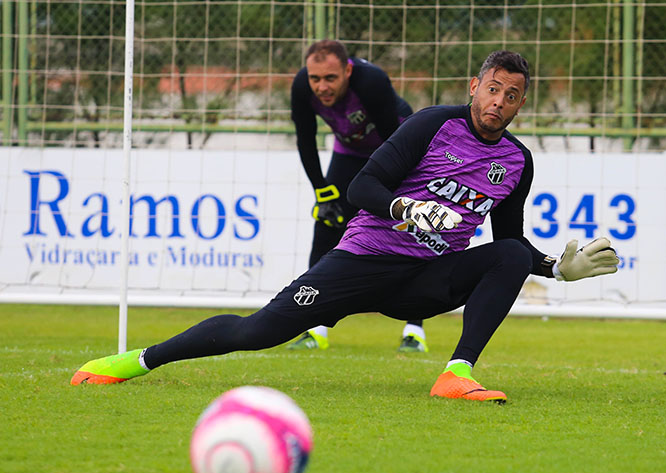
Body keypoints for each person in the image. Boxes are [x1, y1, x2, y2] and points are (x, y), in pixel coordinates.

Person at [71, 50, 620, 403]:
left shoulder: (517, 162)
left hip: (423, 282)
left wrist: (555, 267)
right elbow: (363, 188)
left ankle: (456, 373)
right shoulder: (433, 124)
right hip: (363, 261)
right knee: (257, 332)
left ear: (523, 102)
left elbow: (507, 239)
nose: (499, 102)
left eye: (512, 94)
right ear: (473, 86)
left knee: (511, 258)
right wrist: (406, 210)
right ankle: (136, 361)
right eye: (492, 88)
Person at [289, 39, 427, 353]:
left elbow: (395, 140)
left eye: (330, 78)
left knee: (411, 236)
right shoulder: (301, 87)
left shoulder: (372, 81)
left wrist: (396, 196)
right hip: (349, 152)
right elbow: (306, 141)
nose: (321, 87)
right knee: (325, 229)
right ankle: (315, 327)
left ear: (348, 70)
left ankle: (414, 331)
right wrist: (323, 193)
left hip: (396, 149)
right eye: (315, 78)